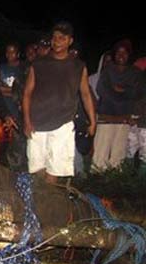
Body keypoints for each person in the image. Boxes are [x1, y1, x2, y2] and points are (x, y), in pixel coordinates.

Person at [23, 22, 96, 184]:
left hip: (62, 123)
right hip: (38, 122)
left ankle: (49, 205)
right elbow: (27, 93)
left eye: (62, 38)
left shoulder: (78, 66)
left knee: (54, 169)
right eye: (55, 38)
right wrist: (27, 121)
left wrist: (93, 121)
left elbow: (85, 94)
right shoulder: (39, 63)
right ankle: (39, 202)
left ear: (70, 41)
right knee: (37, 168)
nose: (57, 42)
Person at [92, 39, 141, 171]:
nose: (121, 55)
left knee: (118, 157)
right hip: (106, 118)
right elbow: (102, 91)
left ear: (129, 55)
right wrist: (124, 92)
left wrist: (118, 90)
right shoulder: (107, 71)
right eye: (119, 52)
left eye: (125, 53)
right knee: (100, 156)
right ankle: (97, 182)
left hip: (124, 120)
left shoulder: (135, 73)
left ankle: (114, 183)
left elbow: (136, 93)